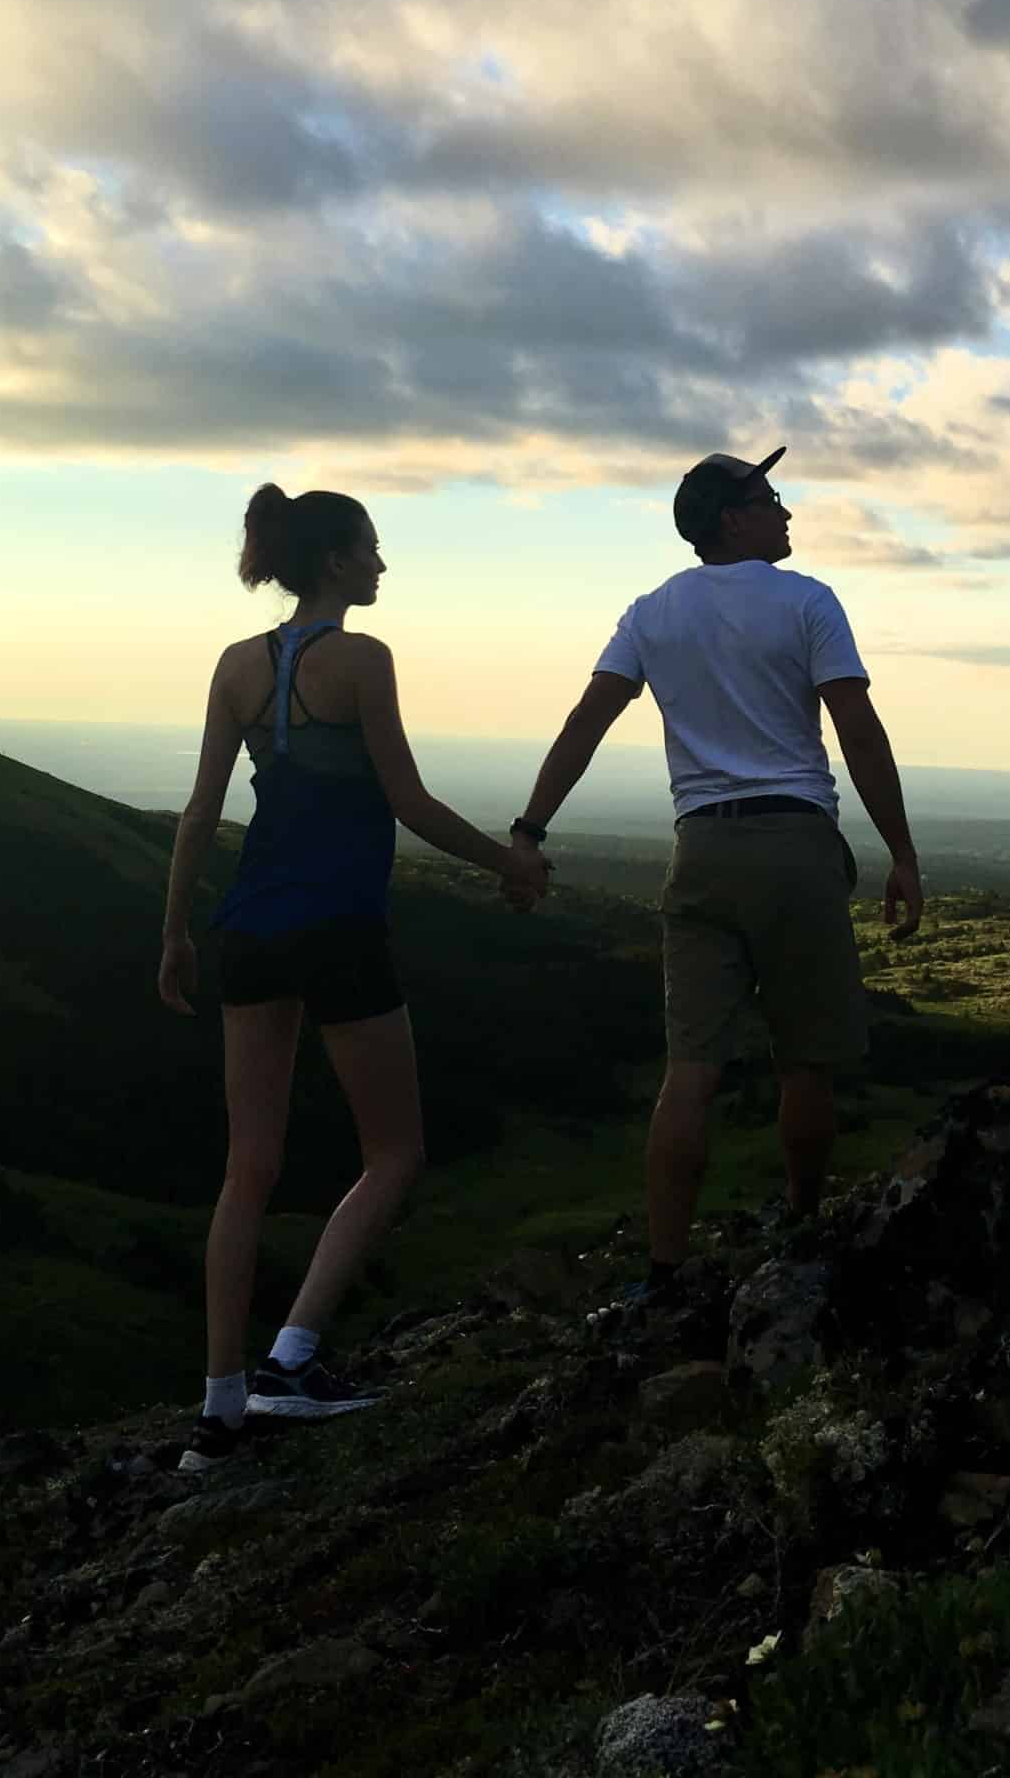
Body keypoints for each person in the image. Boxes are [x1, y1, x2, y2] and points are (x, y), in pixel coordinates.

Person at [159, 482, 551, 1472]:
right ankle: (292, 1358)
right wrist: (510, 862)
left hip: (244, 928)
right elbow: (407, 800)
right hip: (338, 928)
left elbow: (201, 813)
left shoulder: (235, 665)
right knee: (395, 1152)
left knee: (248, 1166)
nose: (381, 565)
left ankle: (219, 1408)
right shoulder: (362, 660)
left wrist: (173, 934)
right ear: (335, 559)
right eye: (371, 549)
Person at [512, 445, 922, 1299]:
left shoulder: (652, 612)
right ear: (731, 518)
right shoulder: (808, 602)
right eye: (770, 498)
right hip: (795, 847)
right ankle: (804, 1222)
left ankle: (663, 1270)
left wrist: (529, 827)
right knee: (805, 1060)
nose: (786, 511)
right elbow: (859, 731)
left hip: (698, 850)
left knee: (689, 1070)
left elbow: (586, 720)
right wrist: (903, 853)